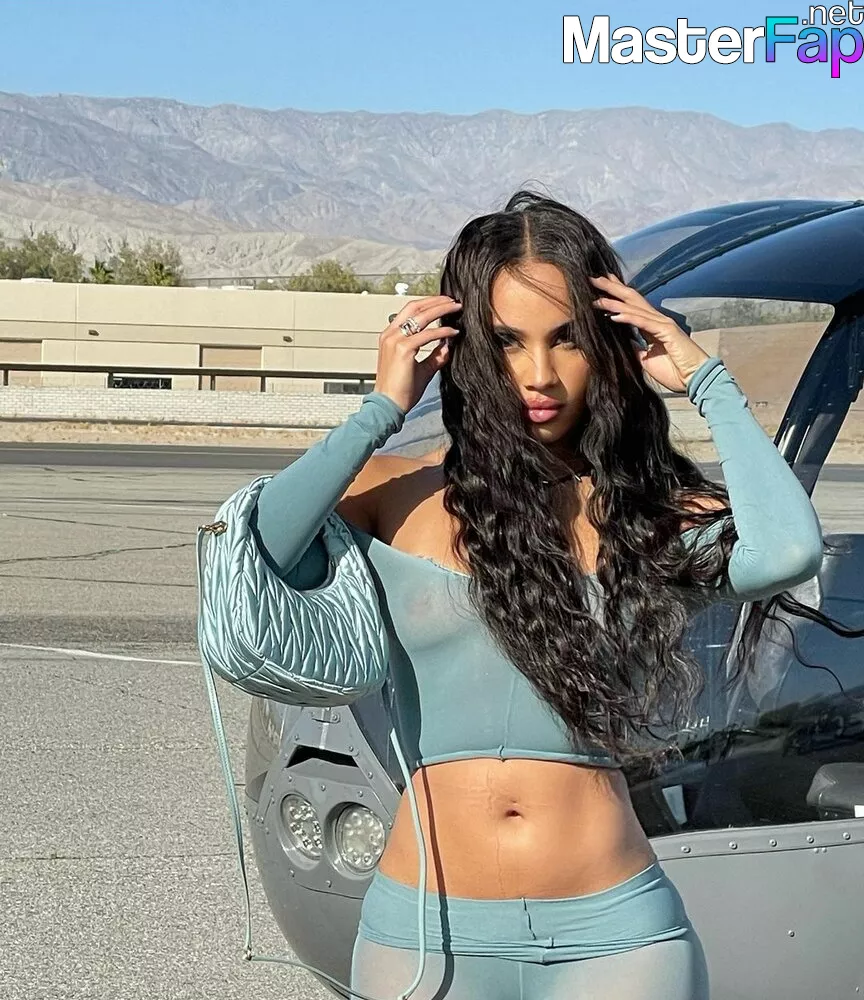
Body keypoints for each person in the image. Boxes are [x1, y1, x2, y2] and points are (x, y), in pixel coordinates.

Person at [248, 190, 827, 999]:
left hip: (616, 939)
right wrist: (383, 406)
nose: (540, 374)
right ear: (464, 349)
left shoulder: (649, 512)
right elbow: (264, 549)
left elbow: (787, 552)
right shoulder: (394, 493)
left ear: (608, 345)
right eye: (507, 342)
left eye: (568, 339)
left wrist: (706, 380)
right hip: (427, 936)